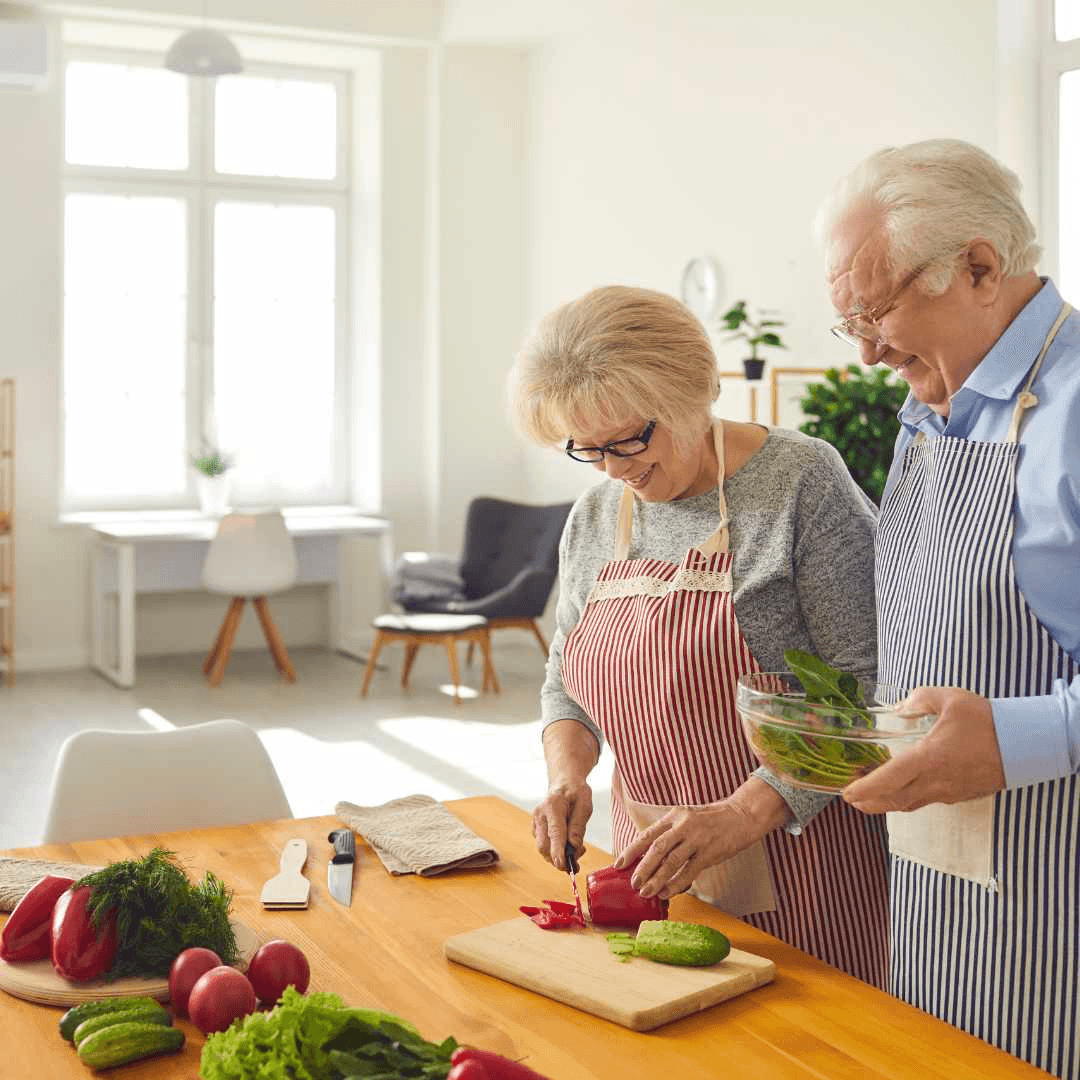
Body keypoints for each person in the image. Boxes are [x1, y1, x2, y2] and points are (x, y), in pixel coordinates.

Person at [508, 284, 891, 988]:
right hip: (653, 875)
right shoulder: (595, 517)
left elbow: (865, 693)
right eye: (587, 451)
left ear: (691, 392)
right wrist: (568, 774)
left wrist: (742, 814)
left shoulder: (802, 482)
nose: (615, 470)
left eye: (629, 440)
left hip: (804, 869)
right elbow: (568, 679)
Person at [817, 138, 1080, 1080]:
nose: (866, 351)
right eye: (845, 320)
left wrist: (1021, 737)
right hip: (941, 885)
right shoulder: (939, 408)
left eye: (877, 310)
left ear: (978, 267)